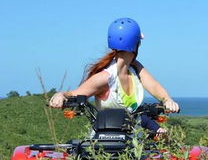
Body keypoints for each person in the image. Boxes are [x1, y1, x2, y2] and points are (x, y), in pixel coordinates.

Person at [49, 18, 179, 133]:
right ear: (135, 45)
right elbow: (74, 94)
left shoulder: (135, 68)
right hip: (105, 143)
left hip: (133, 140)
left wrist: (167, 99)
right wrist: (60, 95)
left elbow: (153, 85)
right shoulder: (106, 78)